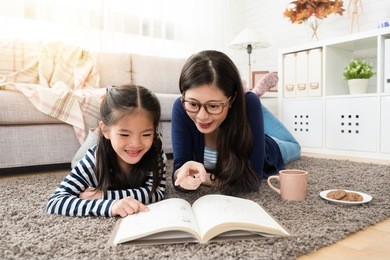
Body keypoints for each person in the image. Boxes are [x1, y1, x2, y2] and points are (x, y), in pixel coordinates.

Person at [171, 50, 300, 195]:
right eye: (193, 104)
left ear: (231, 99)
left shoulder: (248, 104)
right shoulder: (181, 106)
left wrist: (205, 178)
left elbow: (251, 180)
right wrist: (181, 175)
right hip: (241, 107)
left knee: (295, 147)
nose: (202, 116)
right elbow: (179, 170)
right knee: (250, 101)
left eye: (213, 106)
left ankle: (250, 99)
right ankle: (250, 97)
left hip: (269, 148)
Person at [46, 84, 167, 217]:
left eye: (146, 134)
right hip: (95, 153)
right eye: (125, 134)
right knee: (77, 162)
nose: (135, 144)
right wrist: (111, 206)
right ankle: (97, 132)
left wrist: (102, 196)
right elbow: (55, 201)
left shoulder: (155, 151)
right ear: (106, 130)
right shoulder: (93, 159)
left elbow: (156, 192)